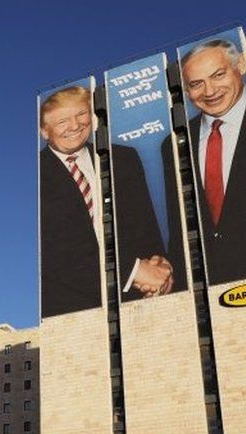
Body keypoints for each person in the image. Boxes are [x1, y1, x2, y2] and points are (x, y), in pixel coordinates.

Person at [39, 85, 175, 317]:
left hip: (138, 299)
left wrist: (161, 266)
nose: (75, 126)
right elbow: (57, 248)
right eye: (62, 121)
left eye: (81, 115)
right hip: (71, 308)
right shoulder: (34, 173)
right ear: (44, 131)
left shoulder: (123, 158)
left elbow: (146, 223)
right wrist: (133, 272)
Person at [179, 38, 246, 286]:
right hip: (207, 283)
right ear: (186, 91)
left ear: (241, 65)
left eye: (218, 75)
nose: (210, 91)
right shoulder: (174, 144)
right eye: (196, 84)